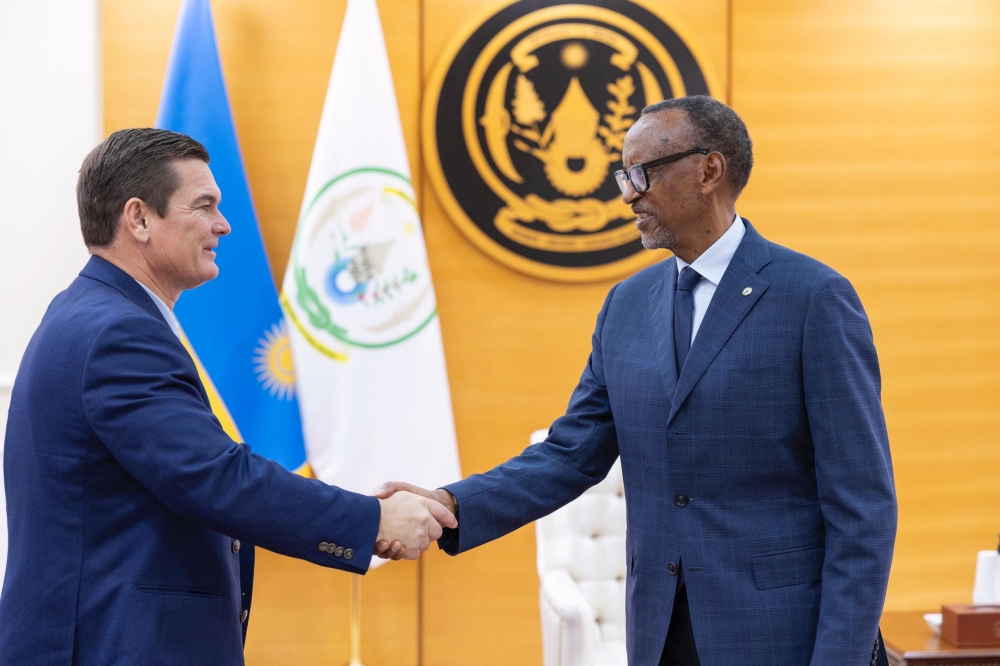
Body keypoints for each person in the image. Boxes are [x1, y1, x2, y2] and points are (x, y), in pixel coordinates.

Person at [376, 96, 897, 665]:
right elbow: (568, 455)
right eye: (624, 175)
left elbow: (862, 506)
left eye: (643, 173)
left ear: (709, 170)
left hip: (781, 636)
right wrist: (450, 503)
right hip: (658, 633)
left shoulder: (813, 299)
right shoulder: (625, 306)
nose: (628, 194)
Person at [0, 128, 456, 665]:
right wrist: (371, 522)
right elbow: (216, 478)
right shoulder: (116, 334)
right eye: (204, 206)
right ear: (139, 218)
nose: (224, 224)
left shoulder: (94, 314)